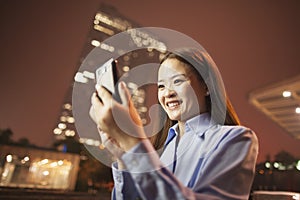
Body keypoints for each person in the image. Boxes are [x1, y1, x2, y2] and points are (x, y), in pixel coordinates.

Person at [89, 47, 259, 199]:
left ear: (206, 86)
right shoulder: (161, 151)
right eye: (161, 86)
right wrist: (122, 156)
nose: (167, 93)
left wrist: (132, 143)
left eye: (177, 81)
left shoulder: (236, 139)